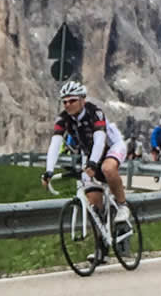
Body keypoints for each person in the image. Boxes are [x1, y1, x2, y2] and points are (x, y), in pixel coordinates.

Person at [41, 81, 131, 235]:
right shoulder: (63, 118)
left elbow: (100, 140)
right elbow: (55, 144)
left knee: (107, 169)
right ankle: (102, 243)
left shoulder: (95, 112)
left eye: (72, 100)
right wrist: (48, 171)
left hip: (112, 146)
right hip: (89, 153)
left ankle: (123, 206)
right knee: (93, 201)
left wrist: (93, 163)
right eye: (65, 102)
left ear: (82, 100)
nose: (68, 105)